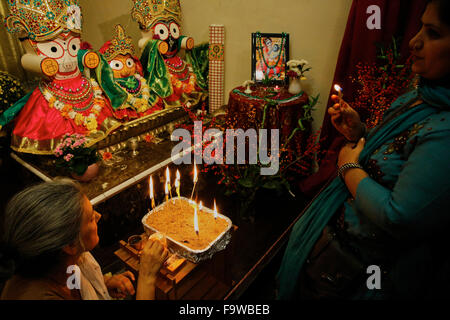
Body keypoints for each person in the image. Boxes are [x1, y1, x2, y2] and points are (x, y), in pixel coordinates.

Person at [277, 0, 450, 299]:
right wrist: (361, 132)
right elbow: (396, 161)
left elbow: (399, 216)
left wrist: (348, 168)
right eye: (420, 26)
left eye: (433, 33)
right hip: (330, 251)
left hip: (360, 275)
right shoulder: (418, 96)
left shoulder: (444, 131)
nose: (414, 41)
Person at [0, 179, 169, 300]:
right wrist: (147, 276)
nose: (99, 216)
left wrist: (103, 283)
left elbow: (69, 281)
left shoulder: (58, 263)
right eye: (90, 218)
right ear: (70, 245)